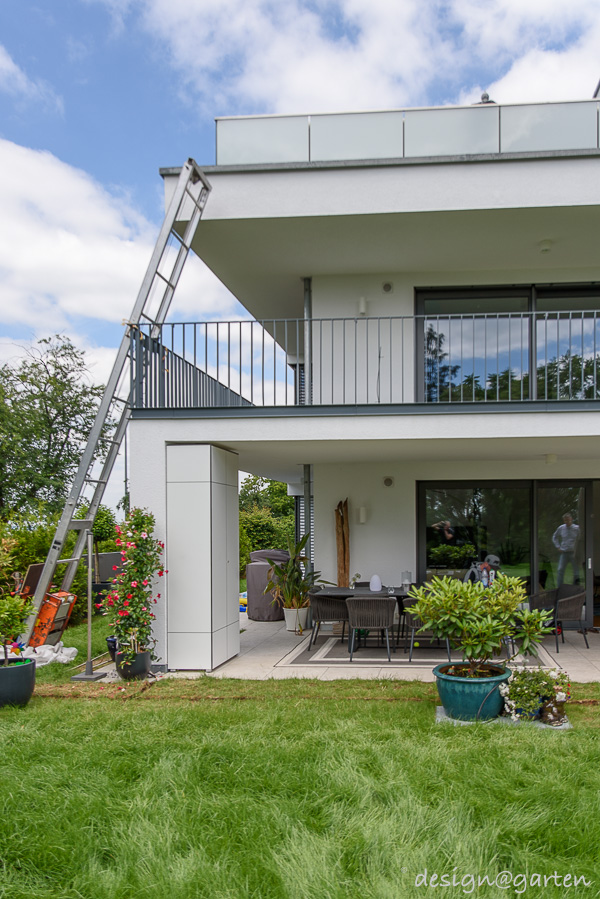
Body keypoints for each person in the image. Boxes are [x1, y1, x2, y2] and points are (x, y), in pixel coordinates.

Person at [552, 512, 580, 587]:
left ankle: (576, 587)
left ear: (571, 519)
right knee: (560, 570)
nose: (567, 522)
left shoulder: (577, 528)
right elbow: (555, 537)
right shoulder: (561, 528)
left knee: (576, 571)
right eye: (565, 520)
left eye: (568, 520)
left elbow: (581, 539)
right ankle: (560, 587)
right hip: (564, 552)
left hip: (573, 552)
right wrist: (558, 546)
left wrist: (578, 549)